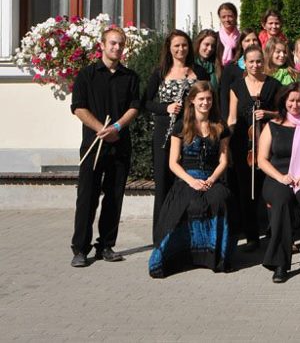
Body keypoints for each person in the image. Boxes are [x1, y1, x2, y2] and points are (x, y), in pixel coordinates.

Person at [70, 27, 141, 267]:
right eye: (112, 43)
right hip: (93, 145)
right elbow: (78, 107)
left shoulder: (130, 77)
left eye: (120, 44)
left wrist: (117, 127)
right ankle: (80, 249)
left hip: (119, 145)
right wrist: (102, 129)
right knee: (86, 198)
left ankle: (106, 246)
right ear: (102, 45)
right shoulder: (86, 75)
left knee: (114, 197)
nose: (117, 48)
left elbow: (134, 107)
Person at [149, 81, 234, 278]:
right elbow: (173, 163)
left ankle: (214, 256)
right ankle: (182, 254)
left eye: (209, 99)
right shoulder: (181, 126)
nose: (205, 103)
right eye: (201, 99)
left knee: (220, 199)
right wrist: (191, 181)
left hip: (212, 177)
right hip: (187, 178)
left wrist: (211, 180)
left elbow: (223, 160)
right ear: (193, 100)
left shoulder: (220, 127)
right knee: (189, 203)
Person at [143, 29, 209, 247]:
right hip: (165, 131)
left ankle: (187, 235)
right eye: (176, 46)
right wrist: (166, 108)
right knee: (163, 183)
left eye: (184, 45)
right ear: (169, 48)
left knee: (186, 183)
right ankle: (160, 237)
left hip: (191, 132)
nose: (181, 49)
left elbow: (208, 99)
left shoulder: (199, 71)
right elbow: (145, 103)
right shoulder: (160, 72)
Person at [258, 83, 300, 282]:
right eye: (291, 100)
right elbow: (262, 159)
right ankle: (280, 263)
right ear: (284, 101)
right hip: (278, 176)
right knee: (281, 202)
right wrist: (280, 177)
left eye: (299, 100)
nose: (295, 104)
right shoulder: (272, 125)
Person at [227, 46, 281, 252]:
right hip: (243, 145)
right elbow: (232, 118)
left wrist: (267, 113)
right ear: (245, 63)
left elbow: (282, 113)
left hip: (270, 144)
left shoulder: (273, 85)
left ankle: (275, 234)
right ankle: (252, 236)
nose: (255, 65)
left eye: (259, 61)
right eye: (251, 62)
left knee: (272, 190)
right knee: (246, 192)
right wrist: (226, 144)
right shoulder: (236, 86)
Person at [219, 27, 260, 119]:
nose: (252, 43)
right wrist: (226, 119)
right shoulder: (231, 68)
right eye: (247, 40)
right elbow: (224, 96)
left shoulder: (264, 66)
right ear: (241, 44)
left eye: (254, 40)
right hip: (237, 118)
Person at [217, 2, 241, 66]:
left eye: (230, 16)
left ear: (235, 17)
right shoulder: (215, 37)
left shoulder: (241, 38)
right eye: (223, 17)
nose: (227, 20)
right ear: (220, 18)